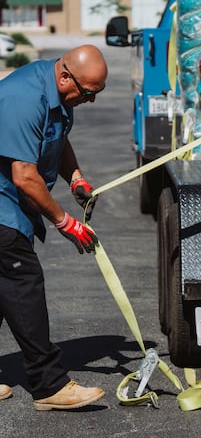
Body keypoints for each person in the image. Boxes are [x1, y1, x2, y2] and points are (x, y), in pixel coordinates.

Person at [0, 45, 107, 410]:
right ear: (66, 77)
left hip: (12, 204)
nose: (91, 101)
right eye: (89, 93)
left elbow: (57, 139)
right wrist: (65, 222)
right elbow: (25, 178)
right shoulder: (23, 97)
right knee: (23, 285)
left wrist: (75, 178)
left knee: (4, 288)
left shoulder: (56, 92)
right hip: (3, 207)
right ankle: (49, 385)